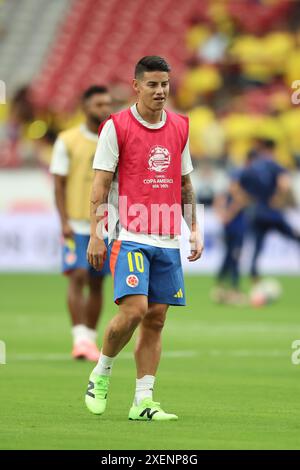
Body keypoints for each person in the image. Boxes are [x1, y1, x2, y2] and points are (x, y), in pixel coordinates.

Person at [85, 56, 203, 421]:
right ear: (136, 86)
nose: (160, 91)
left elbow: (184, 183)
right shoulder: (116, 127)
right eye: (152, 84)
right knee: (134, 309)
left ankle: (143, 401)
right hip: (130, 234)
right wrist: (96, 233)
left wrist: (194, 228)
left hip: (167, 238)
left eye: (165, 84)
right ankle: (101, 373)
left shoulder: (181, 126)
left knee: (156, 318)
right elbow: (101, 184)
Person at [50, 86, 112, 361]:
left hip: (104, 224)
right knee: (77, 275)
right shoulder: (67, 140)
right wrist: (63, 220)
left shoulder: (112, 139)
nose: (104, 109)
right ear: (85, 107)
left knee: (97, 282)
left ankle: (89, 337)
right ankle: (79, 338)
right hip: (75, 223)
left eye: (107, 104)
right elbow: (59, 185)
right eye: (98, 104)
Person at [213, 169, 247, 305]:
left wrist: (226, 215)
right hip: (229, 232)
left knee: (234, 258)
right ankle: (228, 288)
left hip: (238, 232)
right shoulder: (226, 196)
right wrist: (222, 214)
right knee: (229, 257)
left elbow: (236, 207)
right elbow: (218, 204)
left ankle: (229, 287)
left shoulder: (239, 196)